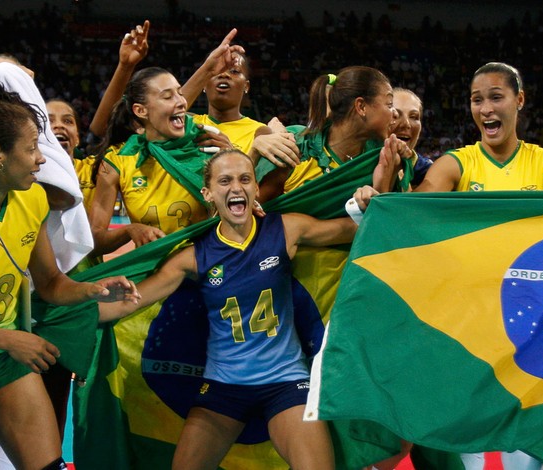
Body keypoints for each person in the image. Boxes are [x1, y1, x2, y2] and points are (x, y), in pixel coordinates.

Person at [101, 148, 361, 470]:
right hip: (223, 388)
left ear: (255, 189)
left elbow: (355, 229)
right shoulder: (194, 257)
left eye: (244, 179)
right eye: (225, 181)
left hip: (286, 382)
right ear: (208, 193)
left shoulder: (285, 230)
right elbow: (129, 303)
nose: (236, 187)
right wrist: (72, 310)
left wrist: (365, 199)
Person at [354, 63, 543, 470]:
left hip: (531, 334)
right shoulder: (456, 166)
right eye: (477, 100)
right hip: (473, 336)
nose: (485, 109)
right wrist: (380, 188)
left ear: (519, 100)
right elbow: (409, 216)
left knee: (529, 452)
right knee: (468, 455)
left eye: (496, 97)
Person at [0, 98, 139, 469]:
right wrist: (8, 338)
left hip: (3, 359)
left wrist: (91, 289)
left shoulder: (31, 200)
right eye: (31, 149)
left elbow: (50, 283)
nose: (41, 160)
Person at [89, 66, 234, 256]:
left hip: (210, 269)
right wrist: (130, 230)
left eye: (180, 93)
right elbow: (93, 242)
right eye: (168, 96)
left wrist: (232, 161)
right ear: (140, 110)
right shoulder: (117, 160)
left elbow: (244, 210)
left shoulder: (209, 143)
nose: (182, 102)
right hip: (155, 274)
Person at [257, 66, 411, 202]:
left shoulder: (381, 157)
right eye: (389, 104)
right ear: (361, 106)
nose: (395, 114)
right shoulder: (295, 145)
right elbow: (256, 211)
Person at [391, 87, 433, 189]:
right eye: (396, 115)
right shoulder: (359, 161)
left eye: (414, 117)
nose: (406, 124)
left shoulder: (428, 172)